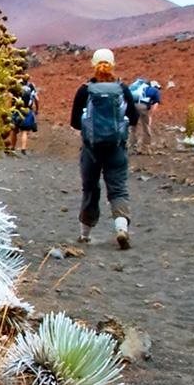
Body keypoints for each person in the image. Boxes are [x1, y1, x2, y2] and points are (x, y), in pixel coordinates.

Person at [69, 48, 139, 249]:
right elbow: (133, 118)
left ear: (93, 64)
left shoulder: (85, 90)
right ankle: (121, 229)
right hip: (116, 149)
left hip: (91, 150)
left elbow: (74, 122)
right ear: (113, 64)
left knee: (90, 189)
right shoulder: (122, 89)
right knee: (118, 190)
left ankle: (85, 235)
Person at [127, 75, 162, 152]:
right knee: (146, 127)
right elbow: (155, 105)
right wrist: (150, 116)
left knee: (133, 127)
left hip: (131, 106)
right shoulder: (155, 91)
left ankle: (132, 147)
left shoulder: (137, 88)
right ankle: (145, 148)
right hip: (142, 107)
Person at [11, 76, 39, 154]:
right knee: (24, 131)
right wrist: (37, 109)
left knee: (14, 130)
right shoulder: (31, 86)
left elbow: (12, 98)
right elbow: (37, 99)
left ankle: (12, 147)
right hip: (27, 110)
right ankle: (23, 149)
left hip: (17, 110)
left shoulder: (17, 86)